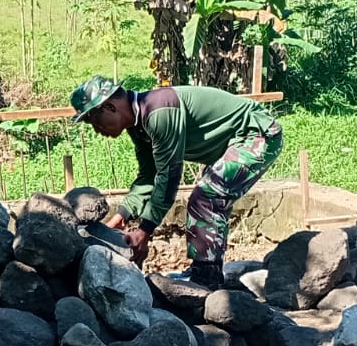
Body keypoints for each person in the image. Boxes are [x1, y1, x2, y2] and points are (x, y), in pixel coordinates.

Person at [71, 75, 282, 289]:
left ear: (110, 106)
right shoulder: (138, 125)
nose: (98, 131)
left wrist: (144, 231)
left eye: (95, 122)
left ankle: (206, 277)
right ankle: (206, 270)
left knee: (206, 198)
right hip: (234, 142)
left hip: (257, 134)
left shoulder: (159, 111)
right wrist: (122, 214)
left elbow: (169, 177)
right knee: (209, 196)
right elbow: (148, 176)